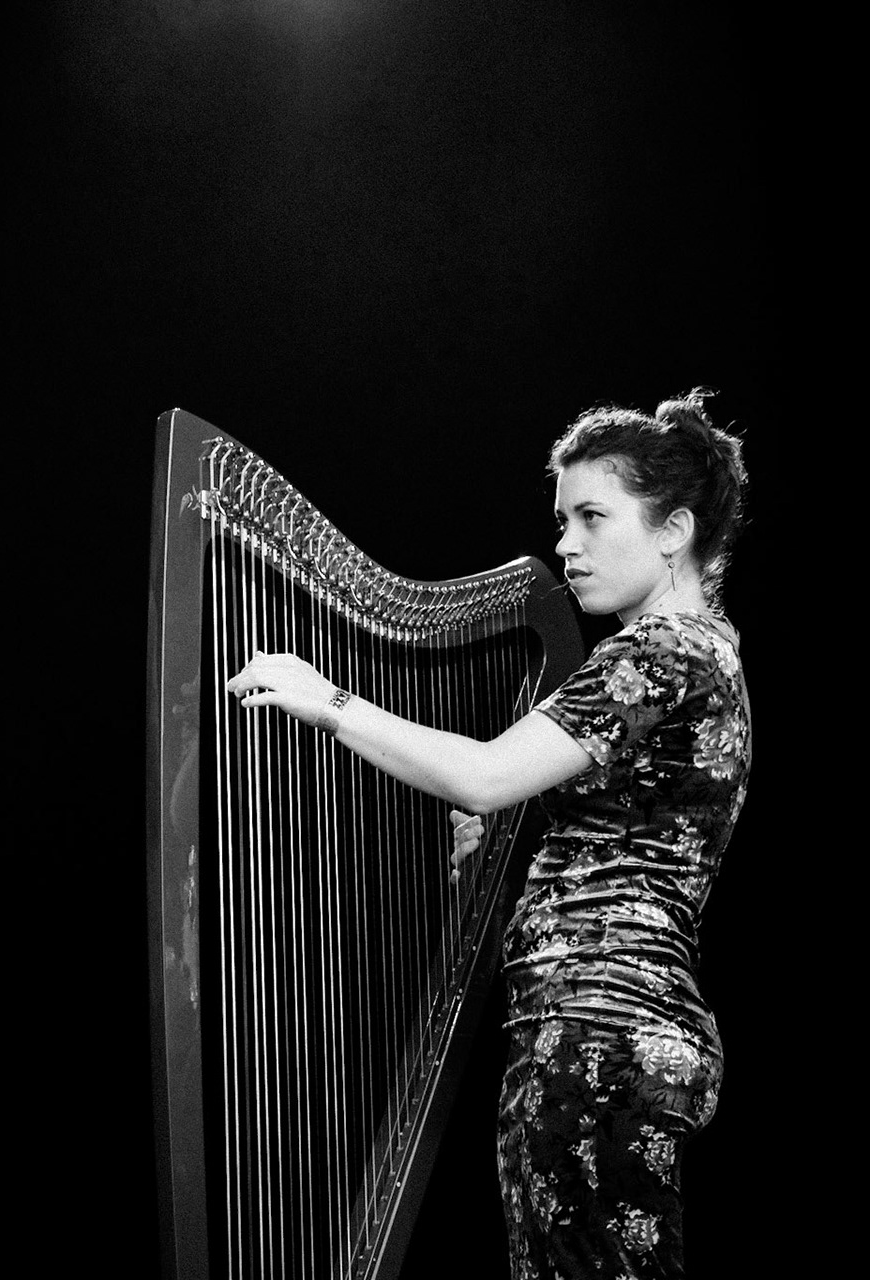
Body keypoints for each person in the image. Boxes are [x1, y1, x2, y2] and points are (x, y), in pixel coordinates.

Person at [226, 389, 748, 1279]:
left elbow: (482, 773)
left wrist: (329, 702)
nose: (565, 545)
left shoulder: (660, 651)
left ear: (673, 531)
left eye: (592, 516)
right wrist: (507, 865)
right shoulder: (710, 652)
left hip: (595, 1031)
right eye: (561, 519)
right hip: (618, 1029)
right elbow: (617, 844)